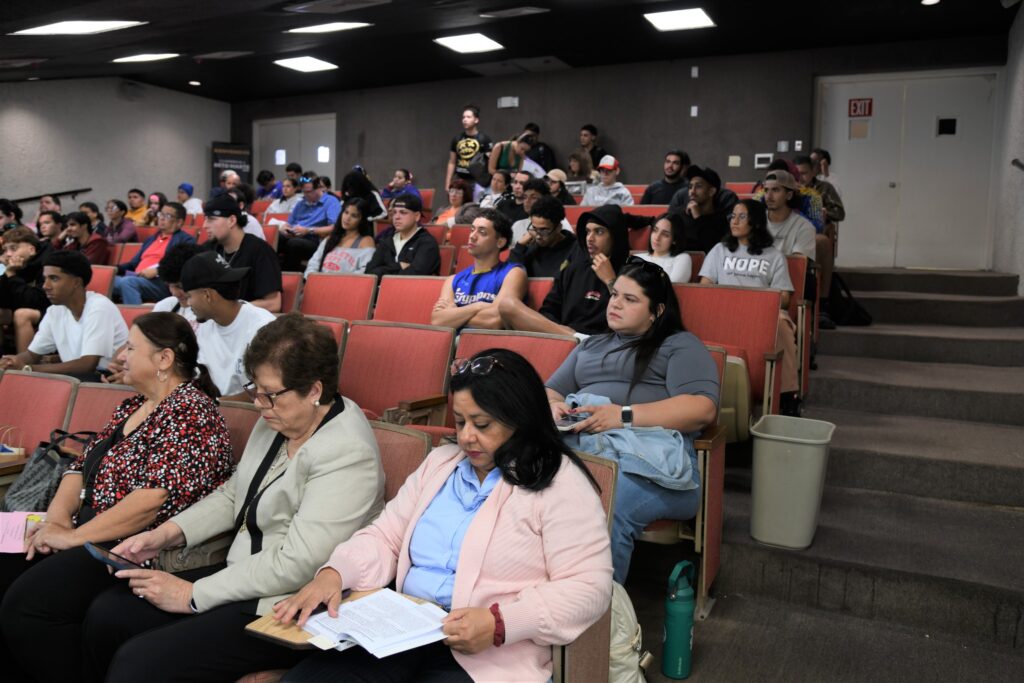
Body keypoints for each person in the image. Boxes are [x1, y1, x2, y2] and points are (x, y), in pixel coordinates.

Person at [55, 314, 386, 682]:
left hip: (287, 602)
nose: (258, 403)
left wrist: (193, 594)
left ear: (313, 390)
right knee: (108, 615)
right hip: (242, 572)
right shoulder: (280, 416)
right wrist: (164, 534)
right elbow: (233, 493)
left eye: (269, 393)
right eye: (254, 389)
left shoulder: (346, 452)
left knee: (139, 663)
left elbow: (297, 563)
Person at [274, 348, 612, 683]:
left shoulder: (559, 482)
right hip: (402, 630)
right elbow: (386, 537)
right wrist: (336, 572)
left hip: (489, 653)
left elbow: (588, 587)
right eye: (460, 421)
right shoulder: (440, 464)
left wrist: (499, 623)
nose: (466, 437)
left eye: (482, 424)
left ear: (520, 418)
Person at [0, 312, 234, 682]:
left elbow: (151, 502)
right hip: (86, 529)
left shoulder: (192, 412)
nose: (120, 356)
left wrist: (73, 537)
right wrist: (56, 521)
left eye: (130, 348)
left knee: (28, 605)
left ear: (164, 359)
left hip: (130, 546)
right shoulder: (133, 405)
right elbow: (79, 467)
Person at [545, 259, 718, 582]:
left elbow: (702, 408)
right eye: (614, 295)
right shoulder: (592, 345)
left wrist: (622, 416)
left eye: (630, 299)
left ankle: (599, 610)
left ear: (656, 311)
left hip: (651, 464)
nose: (615, 304)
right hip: (584, 446)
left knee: (607, 502)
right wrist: (555, 406)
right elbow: (551, 390)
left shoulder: (679, 344)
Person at [699, 199, 800, 413]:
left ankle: (787, 395)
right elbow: (705, 286)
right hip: (726, 311)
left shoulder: (773, 256)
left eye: (741, 216)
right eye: (732, 216)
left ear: (755, 222)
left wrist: (758, 300)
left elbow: (784, 298)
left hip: (761, 314)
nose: (734, 221)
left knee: (782, 327)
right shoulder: (719, 250)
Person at [500, 204, 634, 337]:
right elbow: (549, 308)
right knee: (507, 305)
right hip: (564, 337)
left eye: (599, 232)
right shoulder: (574, 267)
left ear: (615, 236)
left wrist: (610, 281)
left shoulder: (633, 271)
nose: (590, 238)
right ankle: (575, 337)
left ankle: (577, 338)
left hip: (602, 342)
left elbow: (632, 321)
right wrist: (558, 331)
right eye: (588, 232)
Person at [0, 251, 128, 379]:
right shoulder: (54, 311)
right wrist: (10, 362)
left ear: (76, 282)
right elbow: (32, 355)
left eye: (54, 278)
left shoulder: (99, 307)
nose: (45, 286)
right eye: (45, 279)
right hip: (79, 379)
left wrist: (28, 369)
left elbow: (87, 365)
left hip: (105, 379)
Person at [182, 251, 276, 399]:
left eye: (189, 296)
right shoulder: (204, 327)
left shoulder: (262, 328)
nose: (188, 303)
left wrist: (215, 405)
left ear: (207, 295)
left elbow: (267, 391)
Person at [431, 209, 526, 330]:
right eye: (472, 230)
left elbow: (495, 320)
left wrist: (454, 313)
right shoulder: (452, 280)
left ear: (500, 242)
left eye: (482, 232)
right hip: (455, 341)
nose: (472, 236)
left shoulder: (512, 273)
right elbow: (438, 321)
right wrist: (478, 306)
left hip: (486, 340)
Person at [202, 194, 282, 311]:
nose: (204, 225)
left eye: (211, 219)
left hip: (247, 319)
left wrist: (230, 309)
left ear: (232, 220)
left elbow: (273, 303)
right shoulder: (209, 248)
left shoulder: (260, 251)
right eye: (205, 219)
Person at [113, 202, 195, 305]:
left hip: (162, 283)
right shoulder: (151, 239)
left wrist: (157, 271)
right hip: (138, 277)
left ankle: (136, 315)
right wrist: (115, 269)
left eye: (167, 216)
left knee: (128, 282)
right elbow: (133, 264)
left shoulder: (185, 240)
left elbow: (182, 264)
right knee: (106, 280)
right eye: (161, 214)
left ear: (179, 222)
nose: (161, 218)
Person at [795, 154, 845, 313]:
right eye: (797, 174)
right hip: (792, 231)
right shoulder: (789, 189)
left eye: (804, 173)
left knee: (821, 242)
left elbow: (840, 213)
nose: (800, 178)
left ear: (813, 172)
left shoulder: (824, 188)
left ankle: (823, 302)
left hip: (815, 231)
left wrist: (823, 213)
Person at [366, 194, 440, 277]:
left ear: (417, 216)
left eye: (403, 212)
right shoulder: (386, 241)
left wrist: (384, 270)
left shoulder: (427, 243)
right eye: (394, 212)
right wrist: (399, 265)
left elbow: (415, 275)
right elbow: (369, 273)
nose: (396, 217)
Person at [279, 177, 342, 272]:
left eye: (309, 191)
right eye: (304, 192)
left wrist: (308, 230)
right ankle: (275, 272)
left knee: (294, 244)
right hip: (296, 235)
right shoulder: (301, 203)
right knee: (278, 238)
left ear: (319, 189)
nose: (306, 195)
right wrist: (286, 229)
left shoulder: (331, 201)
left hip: (315, 239)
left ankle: (290, 276)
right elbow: (289, 223)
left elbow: (335, 227)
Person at [508, 196, 578, 279]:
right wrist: (519, 247)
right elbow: (510, 276)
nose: (538, 236)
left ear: (558, 228)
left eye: (544, 230)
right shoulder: (531, 248)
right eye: (534, 228)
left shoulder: (576, 249)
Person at [305, 197, 376, 277]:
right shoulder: (330, 238)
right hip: (319, 281)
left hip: (346, 283)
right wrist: (312, 278)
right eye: (346, 212)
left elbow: (365, 271)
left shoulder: (366, 241)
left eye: (354, 216)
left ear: (362, 220)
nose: (347, 218)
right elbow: (313, 264)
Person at [675, 165, 730, 253]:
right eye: (690, 187)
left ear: (711, 191)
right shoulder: (679, 214)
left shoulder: (720, 219)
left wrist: (698, 217)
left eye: (698, 186)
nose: (692, 191)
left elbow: (714, 251)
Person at [762, 170, 816, 259]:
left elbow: (798, 264)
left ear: (789, 195)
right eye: (766, 190)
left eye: (775, 190)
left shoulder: (804, 227)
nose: (768, 196)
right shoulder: (755, 221)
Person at [152, 242, 203, 329]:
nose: (174, 293)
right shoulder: (164, 306)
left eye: (180, 287)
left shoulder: (213, 316)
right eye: (169, 285)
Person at [445, 105, 493, 193]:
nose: (465, 120)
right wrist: (448, 182)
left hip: (477, 181)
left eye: (468, 117)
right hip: (460, 179)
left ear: (476, 120)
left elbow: (491, 162)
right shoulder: (457, 139)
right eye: (463, 117)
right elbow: (452, 162)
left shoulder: (484, 139)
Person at [509, 177, 569, 244]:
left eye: (533, 197)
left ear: (545, 199)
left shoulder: (558, 222)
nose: (527, 201)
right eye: (525, 197)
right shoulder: (517, 225)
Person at [635, 212, 692, 283]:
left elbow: (672, 286)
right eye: (655, 230)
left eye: (665, 234)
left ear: (674, 240)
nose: (657, 237)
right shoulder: (636, 258)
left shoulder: (682, 258)